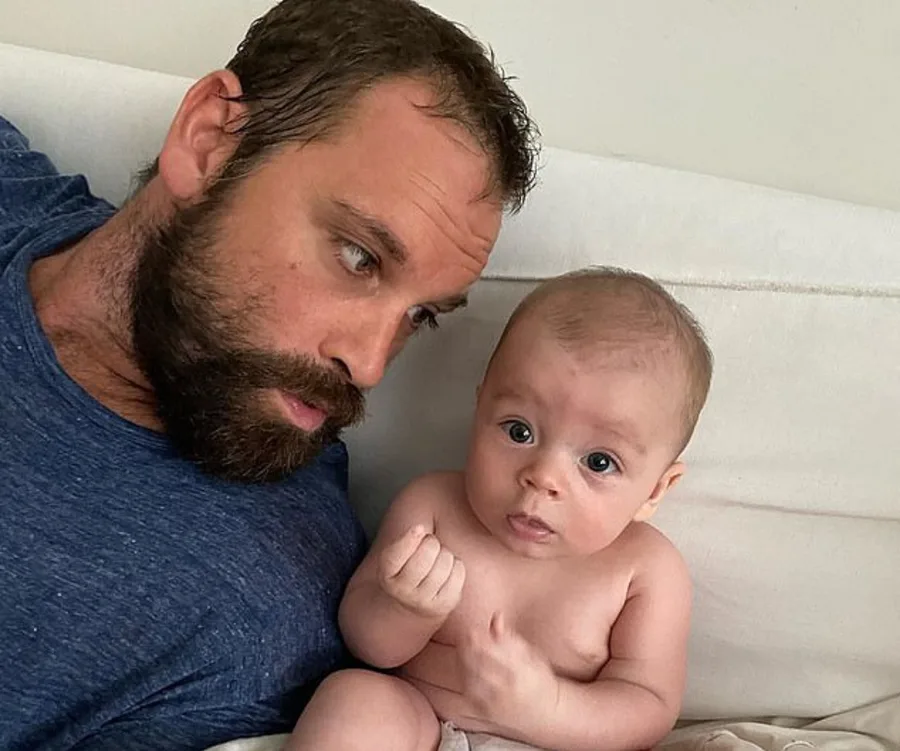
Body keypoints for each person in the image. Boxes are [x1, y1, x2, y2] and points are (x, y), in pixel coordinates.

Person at [0, 0, 538, 748]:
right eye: (359, 256)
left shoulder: (261, 606)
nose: (371, 364)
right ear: (211, 139)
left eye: (422, 316)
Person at [285, 268, 714, 751]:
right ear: (479, 408)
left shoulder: (646, 571)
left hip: (558, 743)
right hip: (421, 722)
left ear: (656, 490)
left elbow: (648, 706)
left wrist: (549, 708)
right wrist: (402, 608)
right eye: (518, 431)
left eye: (599, 462)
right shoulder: (434, 507)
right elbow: (366, 641)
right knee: (356, 698)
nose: (543, 476)